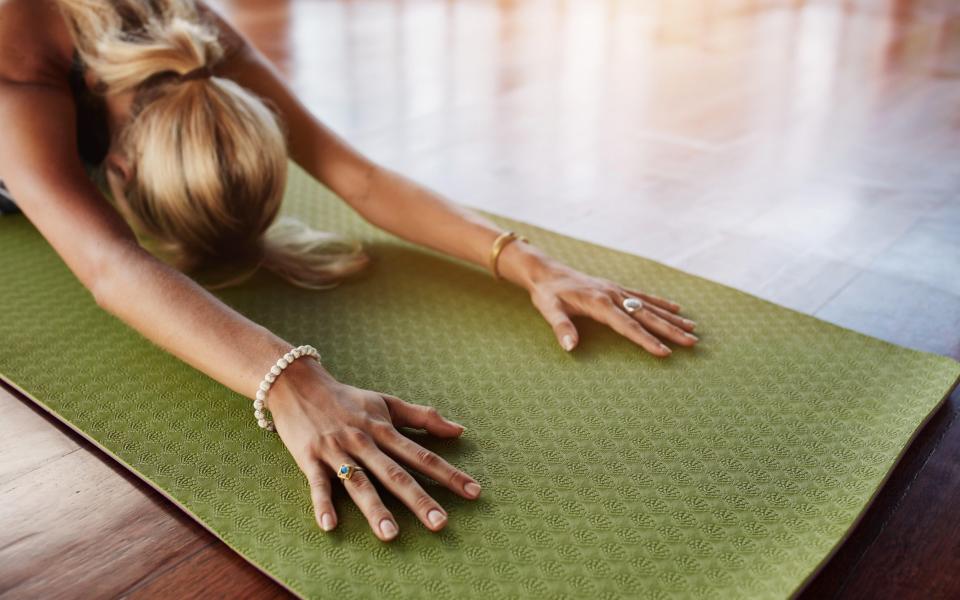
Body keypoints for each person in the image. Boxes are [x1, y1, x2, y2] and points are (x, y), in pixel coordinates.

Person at [0, 0, 699, 542]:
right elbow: (109, 261)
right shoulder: (20, 59)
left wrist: (535, 266)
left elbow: (357, 177)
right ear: (113, 172)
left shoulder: (195, 38)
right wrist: (292, 382)